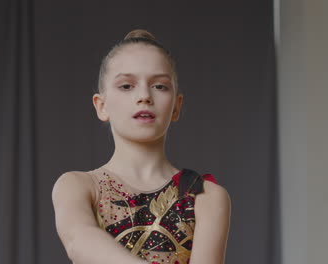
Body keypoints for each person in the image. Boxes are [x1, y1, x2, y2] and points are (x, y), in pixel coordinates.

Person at [52, 29, 231, 264]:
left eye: (160, 86)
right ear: (101, 106)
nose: (144, 96)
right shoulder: (78, 185)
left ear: (176, 106)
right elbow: (80, 241)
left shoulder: (205, 196)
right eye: (127, 86)